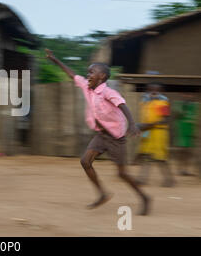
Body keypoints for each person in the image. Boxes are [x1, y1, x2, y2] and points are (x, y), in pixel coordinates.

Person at [45, 49, 150, 215]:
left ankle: (144, 197)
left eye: (91, 72)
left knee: (122, 174)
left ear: (101, 77)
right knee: (85, 162)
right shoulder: (88, 88)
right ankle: (102, 193)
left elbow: (122, 104)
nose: (88, 75)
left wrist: (132, 124)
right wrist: (55, 59)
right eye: (88, 72)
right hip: (101, 135)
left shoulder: (108, 92)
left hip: (116, 138)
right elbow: (72, 75)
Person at [136, 83, 175, 187]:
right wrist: (144, 128)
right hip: (148, 133)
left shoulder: (162, 103)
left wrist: (148, 125)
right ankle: (142, 179)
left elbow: (164, 120)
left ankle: (169, 180)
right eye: (150, 90)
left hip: (159, 134)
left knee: (160, 158)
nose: (153, 92)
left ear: (160, 91)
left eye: (155, 90)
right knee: (147, 156)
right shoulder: (145, 103)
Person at [173, 92, 199, 176]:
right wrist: (183, 105)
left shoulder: (196, 105)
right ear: (182, 94)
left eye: (190, 94)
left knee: (189, 152)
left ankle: (186, 169)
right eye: (186, 94)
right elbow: (176, 115)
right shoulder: (178, 104)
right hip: (181, 130)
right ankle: (180, 169)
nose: (188, 96)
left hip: (192, 131)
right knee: (181, 151)